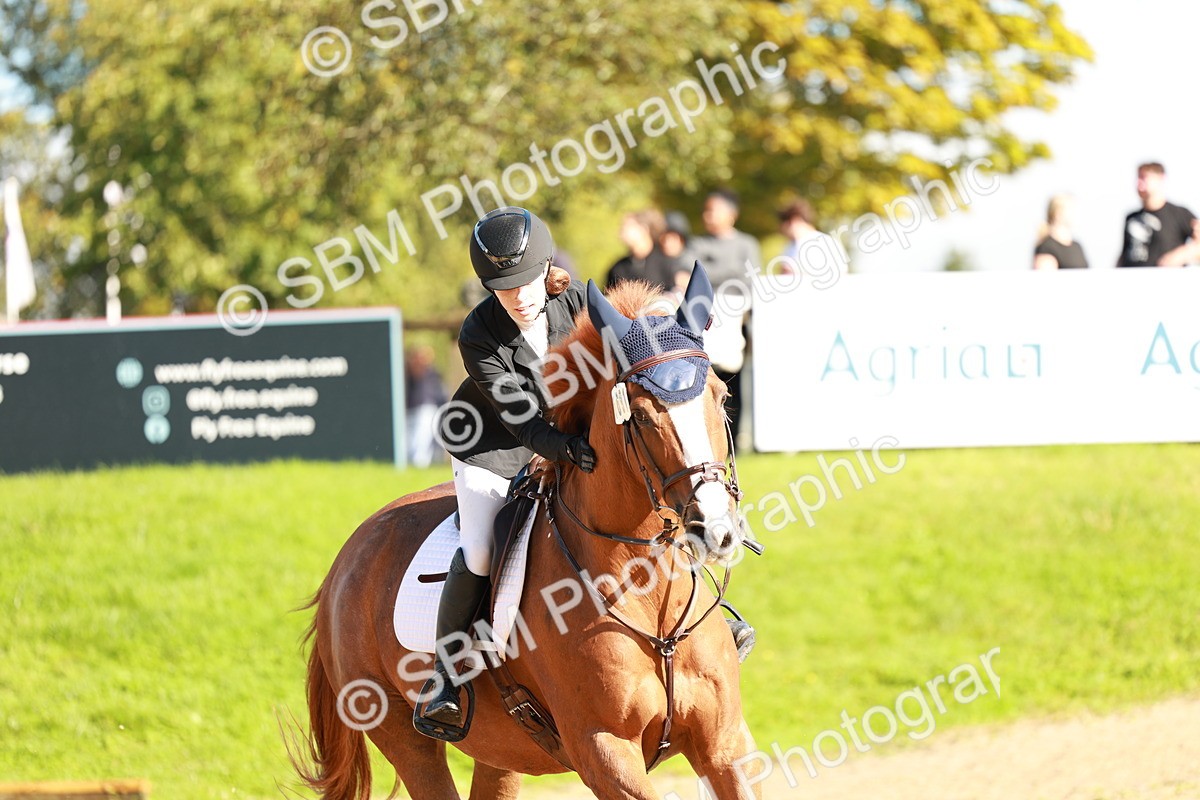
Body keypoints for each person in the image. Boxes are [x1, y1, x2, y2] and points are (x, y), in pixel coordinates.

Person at [422, 206, 597, 731]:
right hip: (492, 444)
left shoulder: (583, 300)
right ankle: (444, 679)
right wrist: (566, 450)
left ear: (547, 268)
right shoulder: (479, 332)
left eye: (525, 282)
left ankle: (717, 621)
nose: (517, 296)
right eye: (502, 287)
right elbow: (521, 421)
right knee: (479, 547)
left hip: (570, 434)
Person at [691, 189, 762, 447]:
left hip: (738, 320)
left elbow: (749, 278)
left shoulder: (747, 244)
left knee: (735, 381)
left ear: (731, 214)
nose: (707, 216)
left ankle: (735, 439)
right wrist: (728, 272)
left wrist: (712, 271)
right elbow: (692, 272)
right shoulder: (698, 243)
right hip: (706, 321)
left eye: (713, 210)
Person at [1118, 163, 1200, 267]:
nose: (1139, 183)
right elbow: (1124, 255)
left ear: (1161, 178)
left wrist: (1182, 254)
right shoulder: (1131, 218)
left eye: (1144, 177)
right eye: (1138, 178)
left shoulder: (1179, 214)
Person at [604, 209, 677, 294]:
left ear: (644, 229)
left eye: (626, 226)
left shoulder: (666, 264)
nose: (621, 231)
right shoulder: (618, 268)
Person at [404, 345, 449, 467]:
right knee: (408, 443)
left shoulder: (432, 372)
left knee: (421, 441)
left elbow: (441, 393)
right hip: (408, 410)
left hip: (426, 409)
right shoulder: (407, 372)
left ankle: (420, 465)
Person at [1033, 195, 1089, 270]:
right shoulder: (1047, 247)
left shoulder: (1076, 246)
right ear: (1058, 214)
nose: (1074, 214)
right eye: (1070, 209)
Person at [659, 210, 697, 292]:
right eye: (663, 237)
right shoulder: (656, 260)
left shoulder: (691, 261)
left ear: (682, 239)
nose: (666, 243)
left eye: (672, 238)